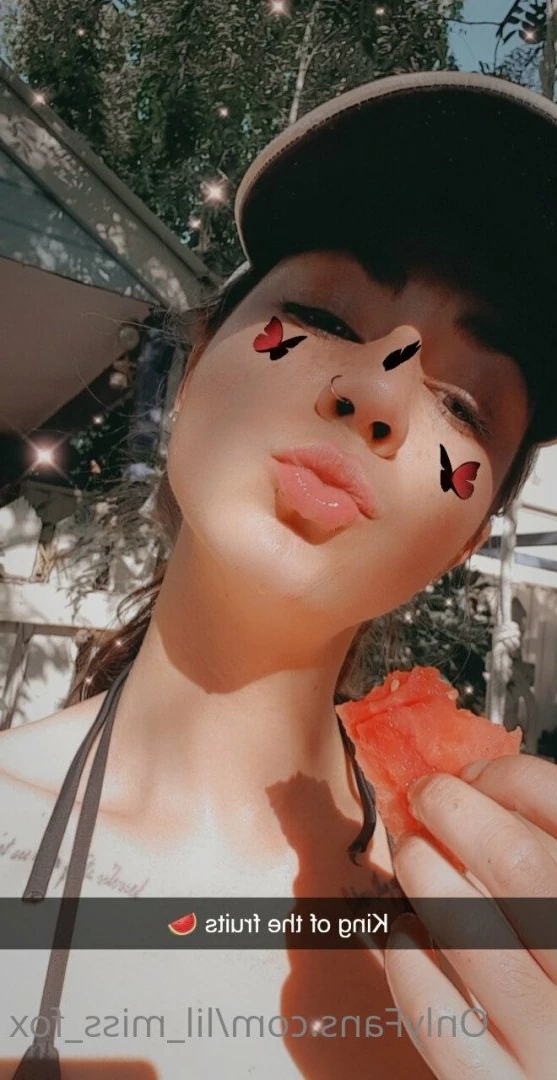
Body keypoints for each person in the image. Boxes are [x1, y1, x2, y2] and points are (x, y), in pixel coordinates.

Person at [1, 70, 557, 1080]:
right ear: (194, 365)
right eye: (324, 318)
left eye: (464, 406)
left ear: (468, 536)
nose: (375, 396)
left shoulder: (496, 928)